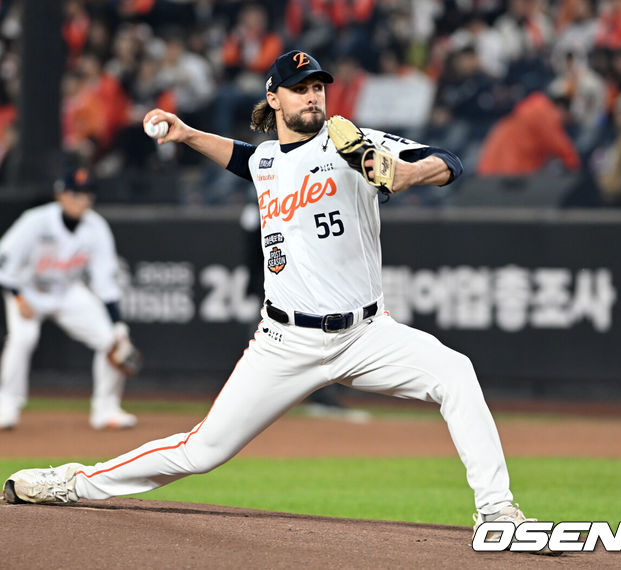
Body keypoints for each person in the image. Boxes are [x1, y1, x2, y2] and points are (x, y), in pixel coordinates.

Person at [3, 50, 541, 548]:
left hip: (366, 334)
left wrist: (405, 172)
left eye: (318, 87)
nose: (312, 96)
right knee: (202, 451)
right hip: (285, 341)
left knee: (456, 373)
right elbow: (245, 158)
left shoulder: (350, 144)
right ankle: (73, 481)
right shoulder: (266, 162)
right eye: (300, 88)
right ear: (274, 98)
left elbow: (448, 161)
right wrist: (187, 133)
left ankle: (497, 510)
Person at [0, 167, 137, 430]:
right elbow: (4, 262)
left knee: (112, 341)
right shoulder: (35, 221)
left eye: (87, 194)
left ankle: (106, 410)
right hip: (27, 290)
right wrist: (18, 298)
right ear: (60, 195)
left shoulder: (96, 227)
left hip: (66, 291)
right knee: (23, 339)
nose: (82, 200)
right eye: (75, 193)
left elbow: (105, 282)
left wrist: (118, 325)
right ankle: (6, 406)